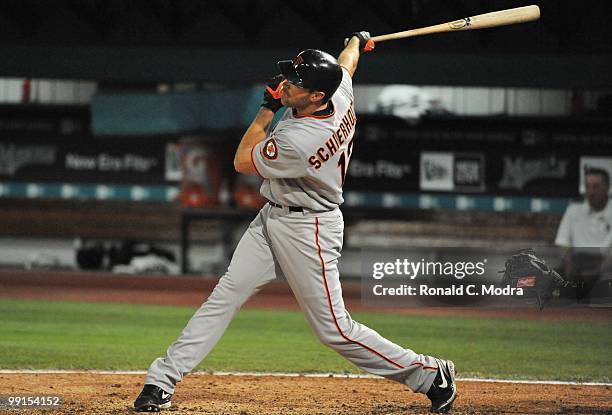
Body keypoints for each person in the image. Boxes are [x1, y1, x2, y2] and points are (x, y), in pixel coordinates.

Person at [134, 32, 457, 414]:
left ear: (316, 96)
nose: (286, 85)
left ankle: (429, 374)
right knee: (226, 295)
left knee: (335, 331)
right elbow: (347, 64)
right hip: (274, 216)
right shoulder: (338, 92)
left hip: (310, 229)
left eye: (297, 84)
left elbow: (240, 160)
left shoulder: (301, 138)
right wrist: (357, 41)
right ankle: (162, 380)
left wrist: (267, 108)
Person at [555, 168, 612, 300]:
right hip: (577, 265)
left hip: (605, 266)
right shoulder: (573, 210)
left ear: (607, 188)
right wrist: (570, 268)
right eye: (588, 187)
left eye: (596, 187)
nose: (590, 192)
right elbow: (562, 243)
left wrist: (596, 272)